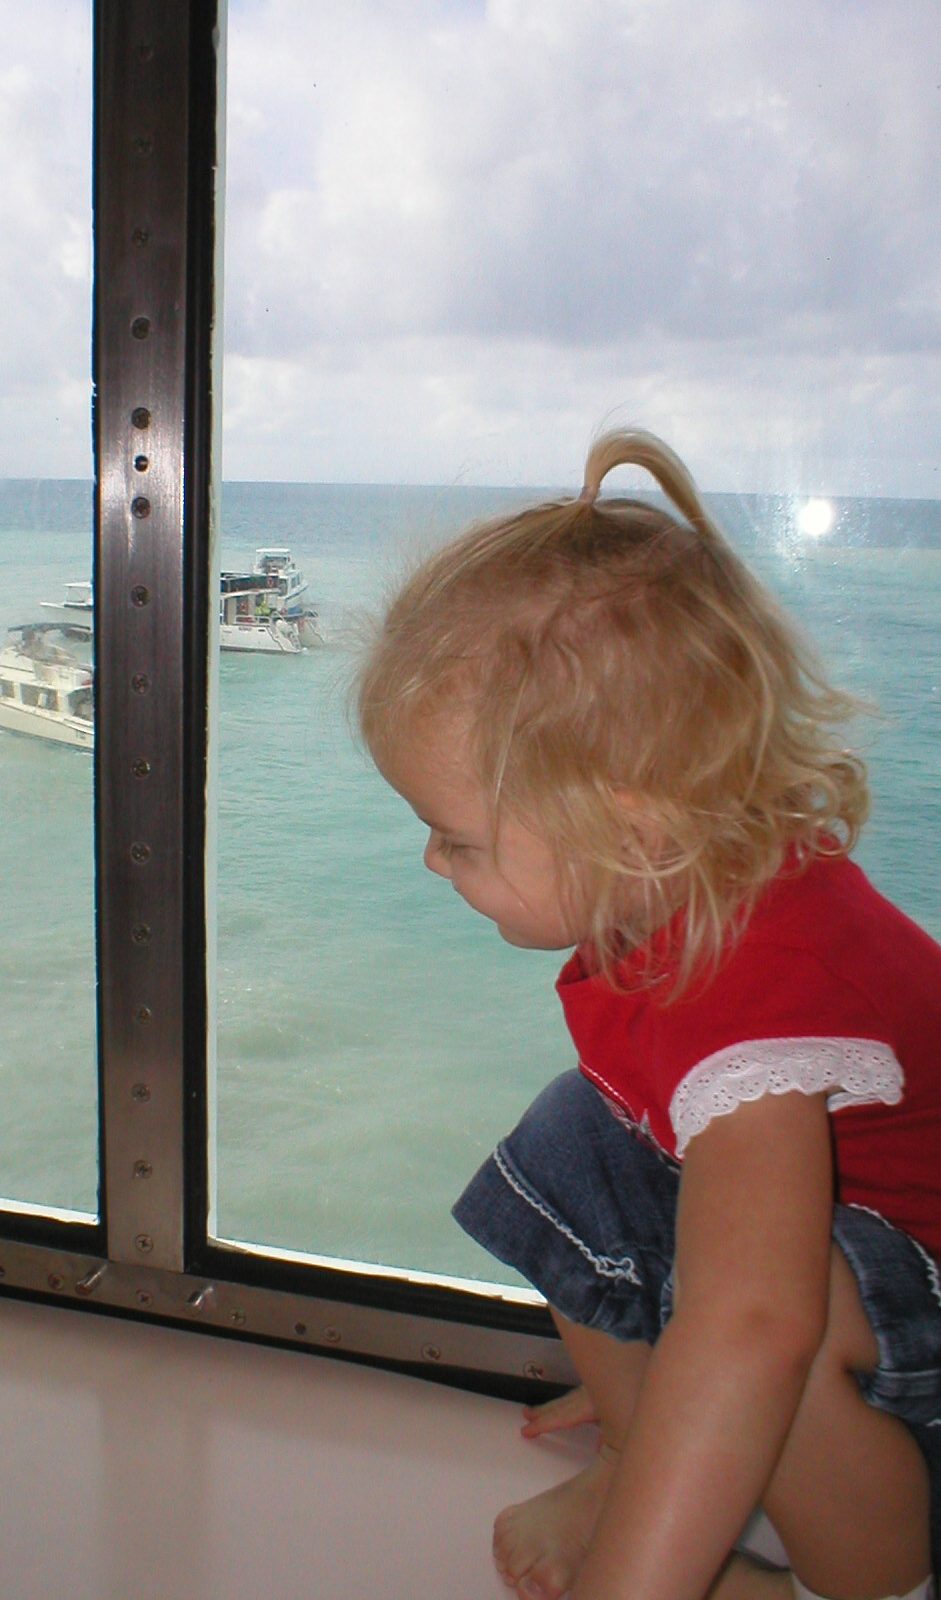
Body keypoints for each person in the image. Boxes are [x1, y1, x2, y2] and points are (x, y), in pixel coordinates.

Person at [355, 430, 941, 1600]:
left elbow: (755, 1324)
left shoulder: (763, 989)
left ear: (627, 828)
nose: (431, 860)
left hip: (914, 1276)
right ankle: (644, 1457)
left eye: (460, 837)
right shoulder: (672, 893)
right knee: (572, 1134)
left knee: (791, 1305)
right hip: (846, 1234)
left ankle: (857, 1583)